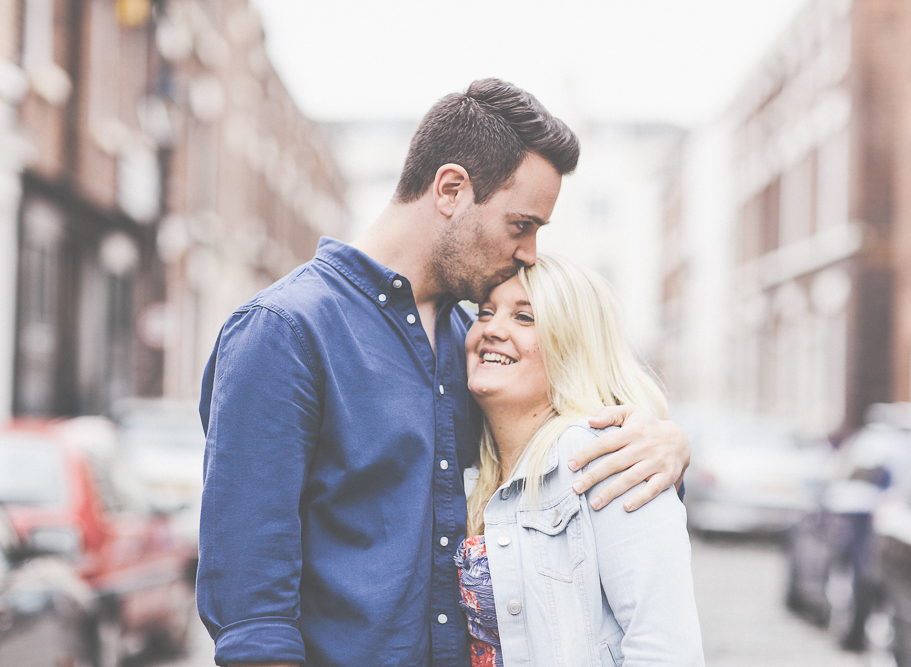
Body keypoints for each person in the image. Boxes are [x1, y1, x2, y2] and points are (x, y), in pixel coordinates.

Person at [197, 78, 691, 667]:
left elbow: (558, 468)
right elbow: (254, 618)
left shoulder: (473, 345)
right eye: (521, 225)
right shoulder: (285, 332)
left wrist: (668, 445)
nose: (530, 252)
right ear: (451, 189)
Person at [457, 255, 704, 666]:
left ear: (570, 343)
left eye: (523, 317)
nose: (491, 329)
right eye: (485, 312)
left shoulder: (609, 454)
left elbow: (665, 649)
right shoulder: (471, 466)